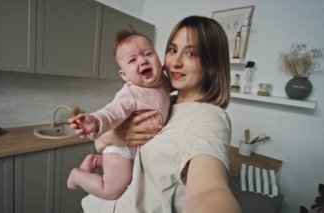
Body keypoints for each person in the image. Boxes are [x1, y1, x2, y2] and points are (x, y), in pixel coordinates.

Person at [80, 15, 241, 213]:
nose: (175, 62)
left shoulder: (209, 118)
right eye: (172, 50)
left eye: (191, 54)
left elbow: (208, 190)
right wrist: (115, 135)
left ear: (211, 65)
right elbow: (100, 143)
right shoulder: (161, 102)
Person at [66, 30, 171, 200]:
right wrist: (96, 120)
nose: (143, 60)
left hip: (135, 148)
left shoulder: (164, 83)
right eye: (132, 60)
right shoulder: (131, 93)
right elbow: (112, 112)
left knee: (127, 173)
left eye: (148, 54)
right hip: (121, 148)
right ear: (124, 75)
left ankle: (95, 161)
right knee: (112, 190)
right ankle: (77, 176)